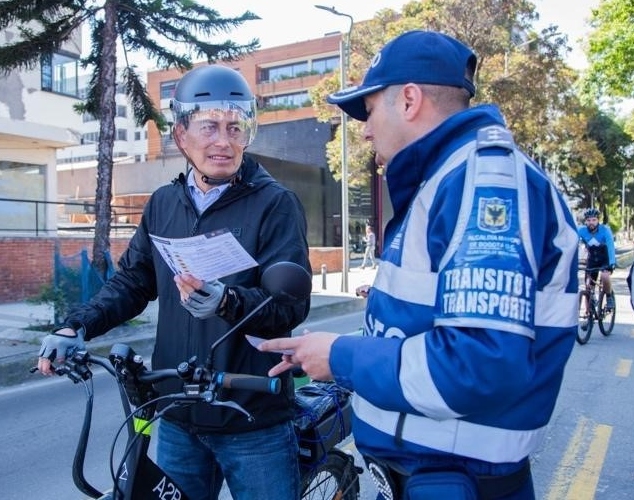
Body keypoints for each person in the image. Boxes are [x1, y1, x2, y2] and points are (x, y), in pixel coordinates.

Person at [258, 30, 579, 499]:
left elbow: (478, 363)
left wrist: (341, 355)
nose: (364, 131)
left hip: (456, 481)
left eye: (367, 111)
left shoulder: (482, 178)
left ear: (408, 100)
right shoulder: (450, 177)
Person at [37, 64, 311, 500]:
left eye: (234, 127)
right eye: (208, 127)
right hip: (179, 414)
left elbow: (290, 307)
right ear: (181, 134)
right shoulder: (164, 203)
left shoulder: (275, 203)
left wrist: (227, 301)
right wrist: (77, 325)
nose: (223, 141)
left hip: (252, 418)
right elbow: (132, 282)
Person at [578, 207, 616, 309]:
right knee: (588, 285)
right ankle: (589, 313)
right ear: (585, 221)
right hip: (592, 259)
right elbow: (573, 244)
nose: (591, 222)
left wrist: (612, 263)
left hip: (605, 258)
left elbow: (611, 247)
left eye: (594, 220)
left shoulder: (605, 231)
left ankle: (609, 297)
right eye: (589, 220)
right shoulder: (581, 230)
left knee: (604, 276)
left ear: (598, 220)